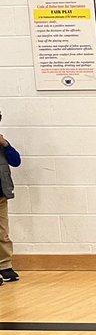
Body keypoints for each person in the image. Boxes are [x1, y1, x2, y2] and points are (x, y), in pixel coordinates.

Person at [0, 108, 20, 284]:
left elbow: (16, 161)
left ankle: (5, 265)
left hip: (1, 195)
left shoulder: (2, 144)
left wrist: (6, 145)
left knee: (3, 233)